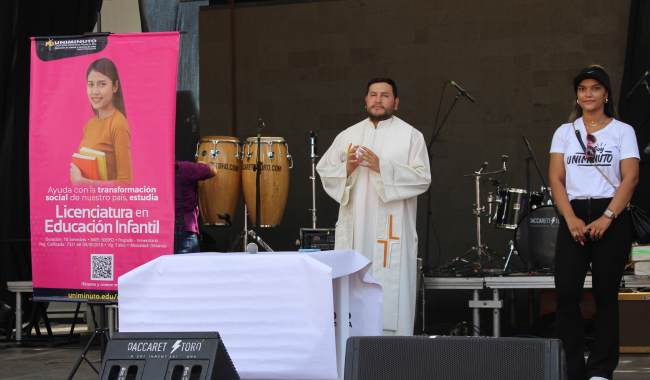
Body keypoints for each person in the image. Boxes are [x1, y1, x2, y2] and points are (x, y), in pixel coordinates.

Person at [317, 78, 431, 336]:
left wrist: (383, 167)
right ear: (366, 101)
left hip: (392, 235)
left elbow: (423, 178)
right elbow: (325, 171)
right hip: (355, 231)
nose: (378, 100)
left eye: (385, 95)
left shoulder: (411, 136)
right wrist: (346, 169)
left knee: (390, 296)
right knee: (352, 300)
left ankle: (393, 363)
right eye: (373, 95)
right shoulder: (348, 136)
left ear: (396, 102)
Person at [549, 65, 639, 380]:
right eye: (583, 89)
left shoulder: (622, 130)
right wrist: (570, 218)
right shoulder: (564, 131)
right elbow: (556, 179)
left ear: (606, 94)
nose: (588, 94)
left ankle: (601, 368)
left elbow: (630, 178)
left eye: (595, 88)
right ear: (577, 95)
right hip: (573, 213)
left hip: (610, 213)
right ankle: (571, 367)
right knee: (568, 294)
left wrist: (608, 217)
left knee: (605, 296)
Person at [71, 58, 133, 186]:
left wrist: (83, 182)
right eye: (91, 84)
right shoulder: (89, 125)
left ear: (115, 86)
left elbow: (126, 184)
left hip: (109, 204)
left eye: (102, 84)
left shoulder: (118, 123)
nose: (95, 92)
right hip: (90, 202)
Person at [174, 160, 217, 254]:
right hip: (185, 231)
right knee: (188, 268)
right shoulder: (185, 167)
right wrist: (205, 164)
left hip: (158, 232)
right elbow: (213, 170)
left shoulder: (151, 171)